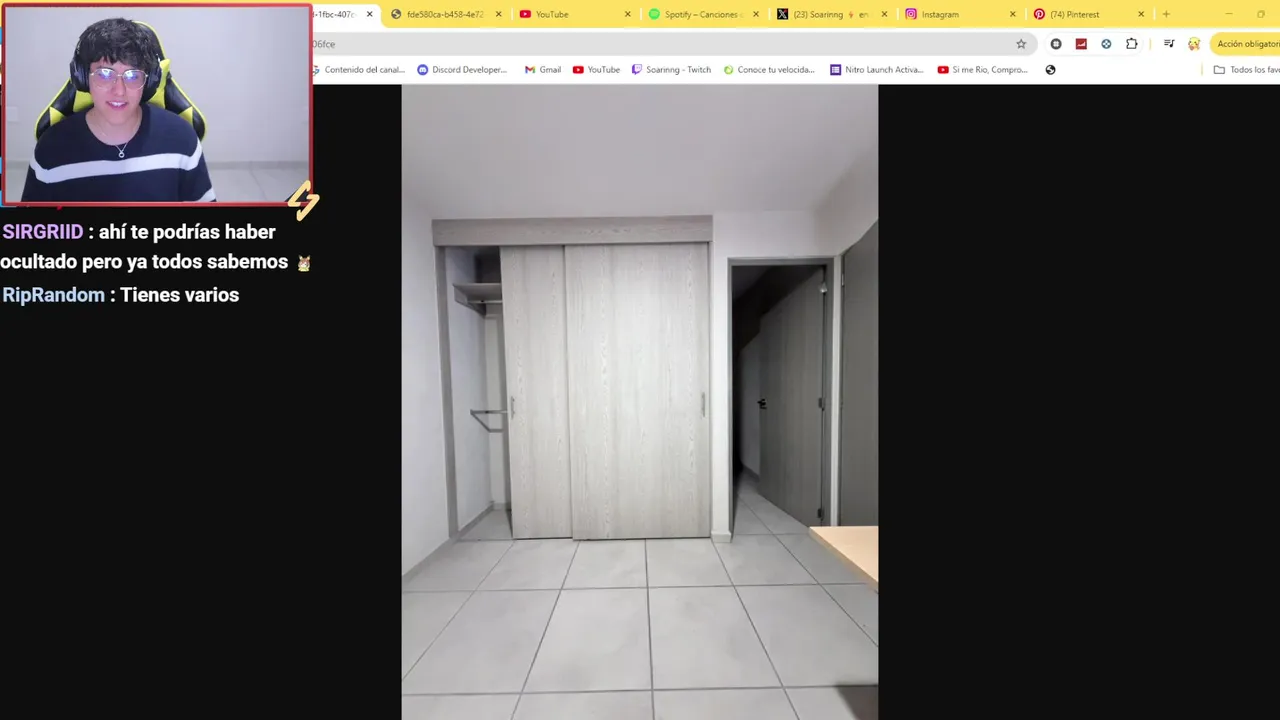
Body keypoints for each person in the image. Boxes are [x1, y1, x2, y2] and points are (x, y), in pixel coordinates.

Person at [22, 18, 215, 202]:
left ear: (149, 82)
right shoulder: (51, 150)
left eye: (133, 76)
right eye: (105, 74)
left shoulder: (182, 140)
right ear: (83, 78)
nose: (119, 91)